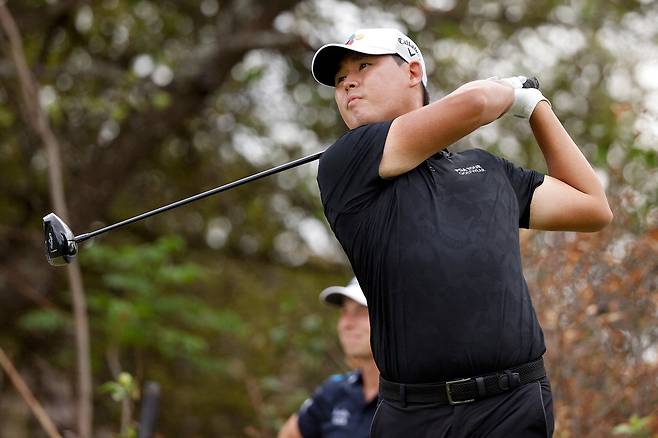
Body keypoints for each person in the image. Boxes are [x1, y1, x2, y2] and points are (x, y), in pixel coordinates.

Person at [311, 28, 613, 437]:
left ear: (413, 71)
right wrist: (506, 89)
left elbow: (592, 206)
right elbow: (475, 102)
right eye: (339, 78)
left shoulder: (487, 169)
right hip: (415, 415)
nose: (347, 82)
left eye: (364, 66)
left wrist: (536, 107)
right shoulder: (347, 160)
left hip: (514, 403)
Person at [278, 277, 379, 438]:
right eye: (344, 311)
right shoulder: (334, 391)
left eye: (362, 310)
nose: (346, 324)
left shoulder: (419, 397)